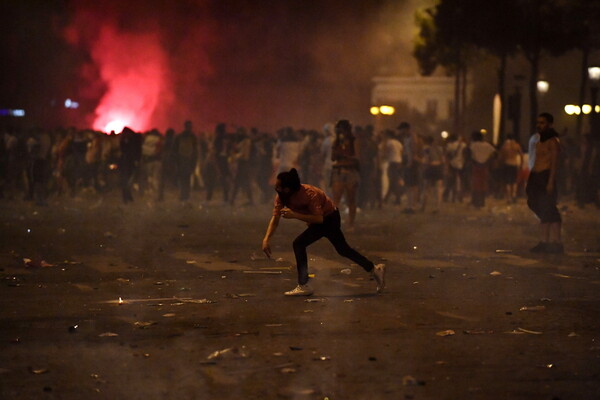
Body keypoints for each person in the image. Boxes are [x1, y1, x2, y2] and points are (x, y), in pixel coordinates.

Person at [261, 168, 385, 296]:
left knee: (299, 244)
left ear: (287, 189)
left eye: (278, 186)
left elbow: (319, 219)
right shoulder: (282, 197)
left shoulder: (309, 194)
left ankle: (304, 284)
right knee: (343, 249)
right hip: (319, 221)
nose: (275, 188)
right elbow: (275, 219)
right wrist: (266, 239)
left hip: (330, 218)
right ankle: (374, 269)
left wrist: (295, 215)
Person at [526, 113, 563, 253]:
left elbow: (554, 164)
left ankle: (554, 242)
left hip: (546, 176)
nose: (539, 125)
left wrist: (550, 182)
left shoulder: (553, 142)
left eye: (542, 122)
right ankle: (546, 242)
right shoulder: (539, 141)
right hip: (535, 176)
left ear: (550, 124)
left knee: (549, 208)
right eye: (538, 122)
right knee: (536, 205)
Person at [331, 120, 360, 229]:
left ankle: (351, 223)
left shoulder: (354, 141)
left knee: (351, 199)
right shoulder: (337, 142)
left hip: (350, 172)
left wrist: (345, 156)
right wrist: (336, 149)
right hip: (338, 171)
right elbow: (333, 157)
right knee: (336, 199)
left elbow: (357, 157)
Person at [498, 134, 523, 203]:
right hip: (514, 164)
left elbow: (500, 157)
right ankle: (514, 195)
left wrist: (500, 164)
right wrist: (521, 164)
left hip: (507, 164)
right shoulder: (517, 145)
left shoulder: (504, 146)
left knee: (507, 181)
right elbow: (521, 155)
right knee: (514, 181)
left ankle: (509, 198)